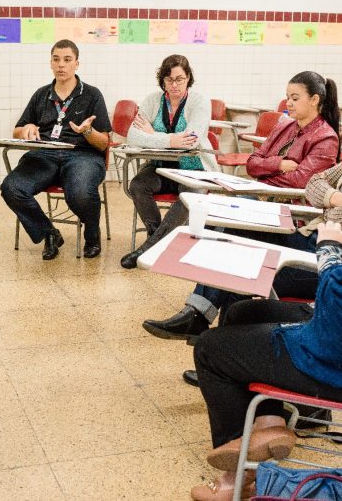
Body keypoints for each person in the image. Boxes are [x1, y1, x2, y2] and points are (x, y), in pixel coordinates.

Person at [142, 71, 340, 352]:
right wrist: (279, 165)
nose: (288, 103)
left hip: (293, 220)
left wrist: (269, 172)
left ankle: (199, 318)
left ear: (315, 100)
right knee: (227, 232)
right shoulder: (285, 126)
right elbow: (253, 163)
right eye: (287, 97)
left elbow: (302, 183)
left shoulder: (325, 137)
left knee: (233, 238)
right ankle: (212, 341)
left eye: (295, 98)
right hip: (265, 207)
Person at [190, 220, 342, 501]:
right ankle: (269, 422)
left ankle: (236, 478)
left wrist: (330, 248)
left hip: (330, 363)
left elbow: (335, 316)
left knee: (209, 349)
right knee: (243, 313)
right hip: (328, 332)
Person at [0, 40, 112, 260]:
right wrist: (26, 129)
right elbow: (17, 130)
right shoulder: (41, 94)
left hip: (82, 155)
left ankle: (92, 235)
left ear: (77, 64)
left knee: (80, 192)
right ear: (50, 62)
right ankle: (49, 233)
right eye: (56, 59)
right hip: (44, 155)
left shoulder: (92, 95)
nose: (61, 65)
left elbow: (104, 143)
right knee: (11, 187)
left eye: (67, 60)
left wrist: (88, 131)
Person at [120, 54, 219, 269]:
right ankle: (157, 237)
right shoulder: (152, 100)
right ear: (162, 80)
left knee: (190, 195)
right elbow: (133, 136)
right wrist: (172, 140)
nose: (174, 84)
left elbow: (191, 141)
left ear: (188, 78)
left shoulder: (200, 101)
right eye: (169, 79)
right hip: (159, 167)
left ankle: (147, 249)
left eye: (179, 79)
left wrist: (152, 134)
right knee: (138, 185)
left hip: (194, 169)